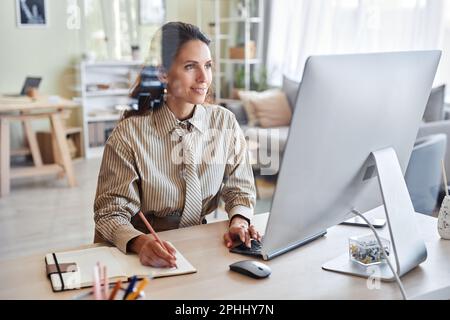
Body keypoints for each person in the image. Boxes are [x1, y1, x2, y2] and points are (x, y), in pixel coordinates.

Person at [94, 22, 260, 268]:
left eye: (208, 66)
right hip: (145, 254)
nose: (204, 78)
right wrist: (141, 242)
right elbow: (110, 213)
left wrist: (239, 221)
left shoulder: (224, 122)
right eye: (190, 66)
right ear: (163, 72)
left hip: (201, 248)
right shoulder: (128, 135)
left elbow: (240, 189)